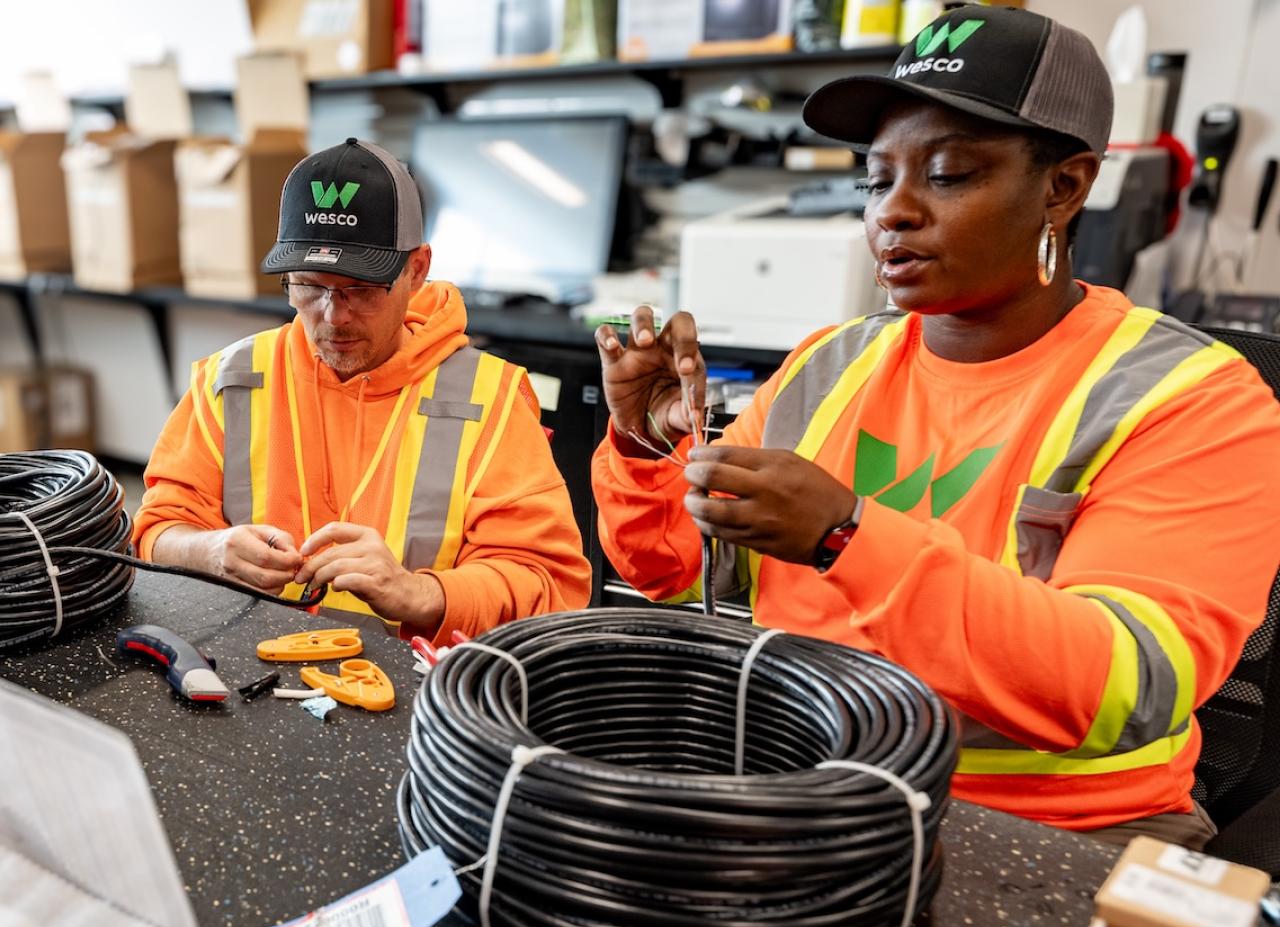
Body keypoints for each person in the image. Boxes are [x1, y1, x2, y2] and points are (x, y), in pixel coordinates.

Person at [592, 5, 1280, 848]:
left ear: (1064, 186)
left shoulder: (1191, 398)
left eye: (949, 175)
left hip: (1049, 830)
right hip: (813, 784)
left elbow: (1122, 688)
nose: (894, 212)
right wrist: (645, 447)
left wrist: (848, 535)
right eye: (876, 180)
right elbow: (678, 577)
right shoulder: (828, 364)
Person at [135, 138, 591, 640]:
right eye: (309, 286)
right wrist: (211, 551)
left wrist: (418, 594)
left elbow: (548, 586)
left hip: (417, 696)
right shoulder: (231, 380)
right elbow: (157, 531)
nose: (333, 317)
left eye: (361, 289)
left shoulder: (491, 399)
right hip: (250, 674)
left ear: (416, 269)